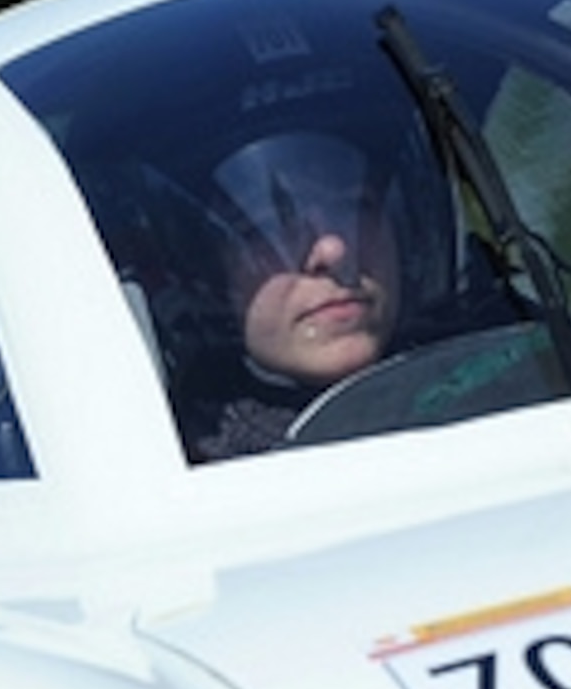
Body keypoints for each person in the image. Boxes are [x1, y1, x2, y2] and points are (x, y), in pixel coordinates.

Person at [172, 126, 419, 461]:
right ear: (210, 274)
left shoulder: (497, 367)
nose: (333, 250)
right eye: (269, 224)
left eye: (355, 206)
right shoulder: (179, 470)